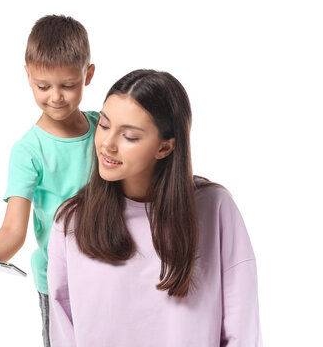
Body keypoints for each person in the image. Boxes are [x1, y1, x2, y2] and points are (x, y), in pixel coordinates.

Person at [47, 69, 262, 346]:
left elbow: (242, 330)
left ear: (165, 148)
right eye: (103, 125)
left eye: (130, 136)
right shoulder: (71, 221)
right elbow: (64, 331)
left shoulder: (215, 208)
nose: (107, 144)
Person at [0, 15, 97, 347]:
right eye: (43, 86)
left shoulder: (104, 128)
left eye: (68, 85)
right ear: (28, 75)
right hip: (60, 281)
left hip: (110, 272)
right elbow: (13, 230)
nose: (56, 97)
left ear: (88, 75)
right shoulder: (28, 151)